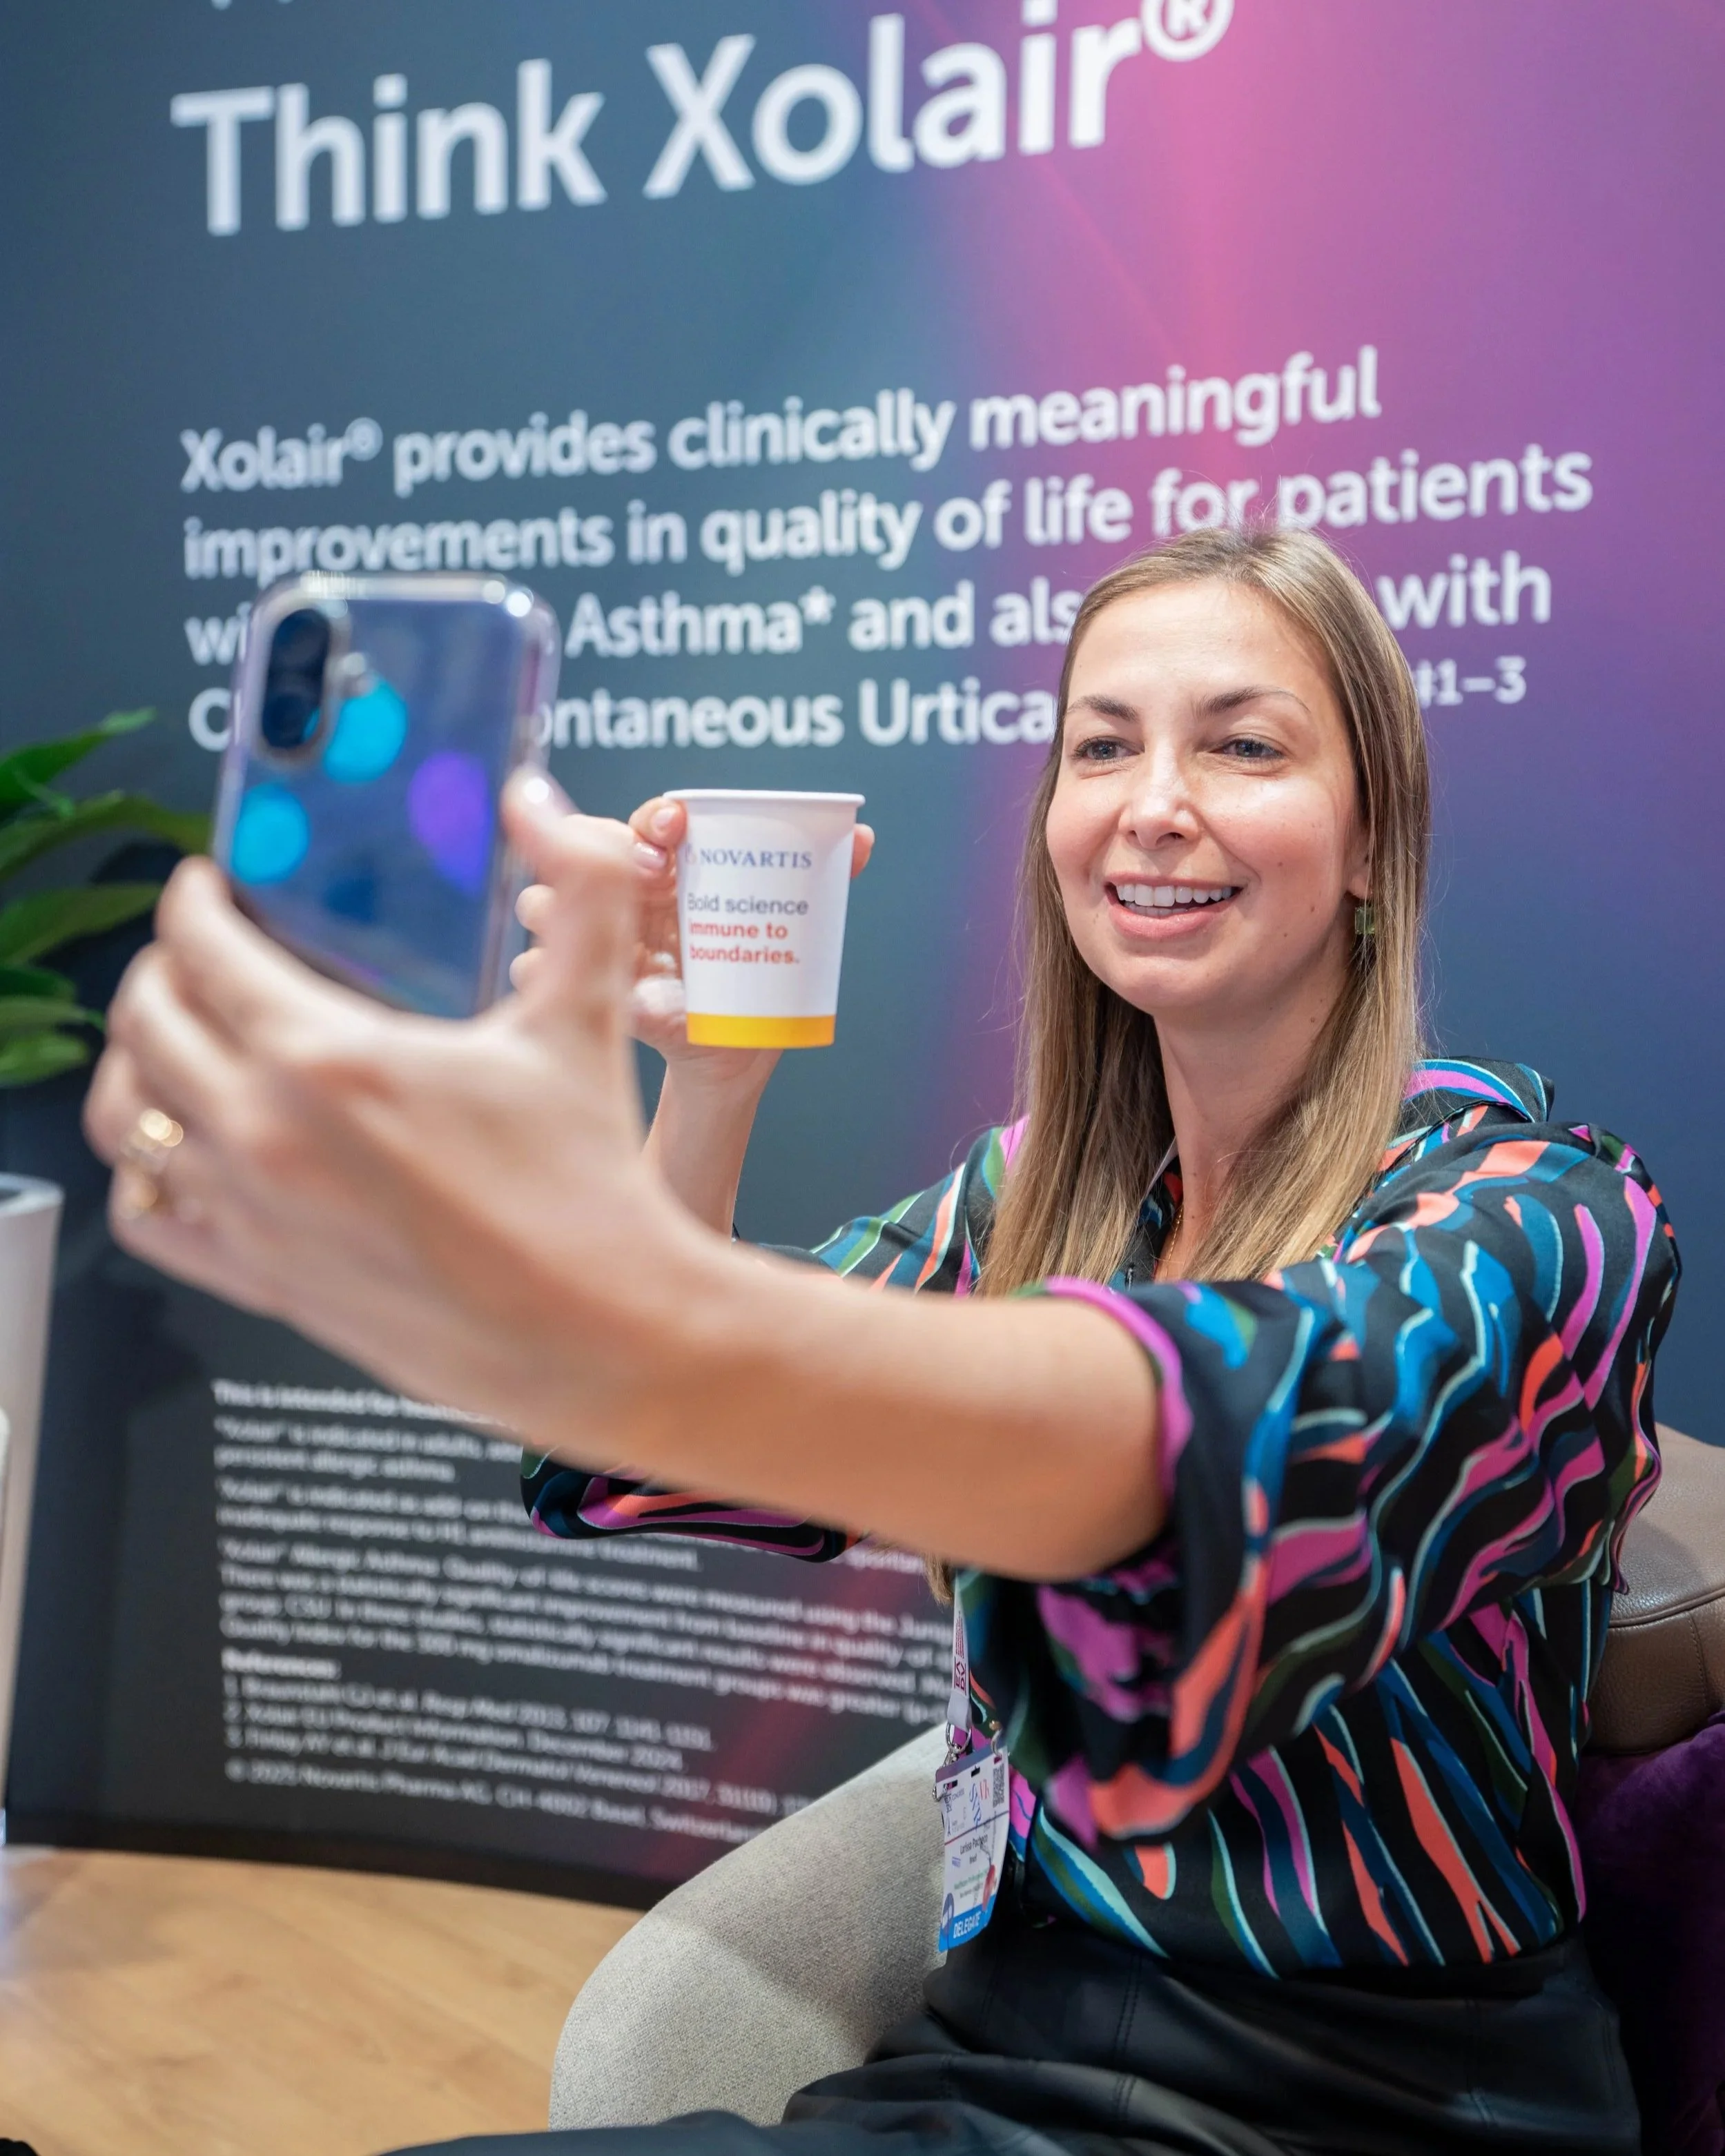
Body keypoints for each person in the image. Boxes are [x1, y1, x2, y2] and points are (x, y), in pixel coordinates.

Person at [87, 529, 1677, 2156]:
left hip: (1379, 2101)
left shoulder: (1548, 1219)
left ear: (1369, 842)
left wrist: (606, 1294)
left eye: (1243, 742)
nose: (1151, 801)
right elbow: (620, 1459)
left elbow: (1232, 1467)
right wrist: (709, 1084)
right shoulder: (1042, 1195)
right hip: (1008, 2045)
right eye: (1102, 743)